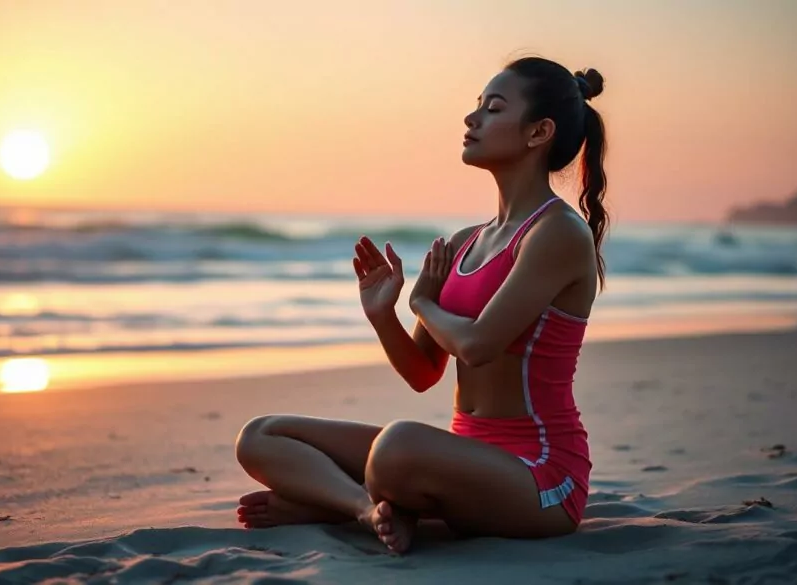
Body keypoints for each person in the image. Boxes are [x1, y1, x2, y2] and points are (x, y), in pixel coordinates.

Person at [234, 55, 609, 554]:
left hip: (540, 478)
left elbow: (476, 346)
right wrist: (382, 314)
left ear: (539, 132)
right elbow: (422, 372)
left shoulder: (557, 231)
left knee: (397, 447)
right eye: (477, 106)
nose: (471, 119)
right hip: (462, 458)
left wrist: (421, 303)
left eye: (493, 109)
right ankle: (368, 511)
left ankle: (336, 502)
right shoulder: (464, 242)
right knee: (261, 435)